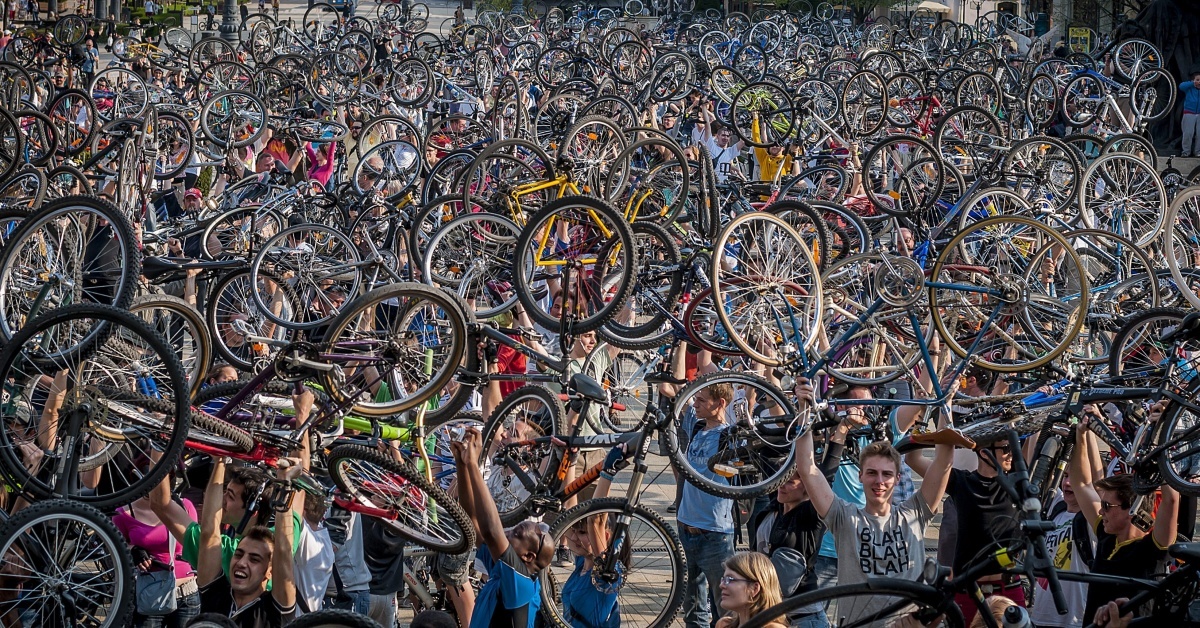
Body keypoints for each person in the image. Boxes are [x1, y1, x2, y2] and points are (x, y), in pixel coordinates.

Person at [793, 377, 955, 625]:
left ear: (897, 478)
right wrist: (804, 409)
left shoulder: (914, 512)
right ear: (861, 475)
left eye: (886, 474)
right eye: (871, 473)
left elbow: (943, 460)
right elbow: (807, 468)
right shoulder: (845, 517)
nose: (879, 481)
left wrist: (945, 403)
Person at [1075, 405, 1179, 622]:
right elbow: (1082, 484)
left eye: (1107, 506)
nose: (1100, 510)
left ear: (1131, 510)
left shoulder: (1153, 549)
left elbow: (1171, 499)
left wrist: (1163, 435)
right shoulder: (1107, 536)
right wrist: (1081, 435)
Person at [658, 345, 737, 628]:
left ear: (720, 403)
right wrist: (682, 343)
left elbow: (739, 474)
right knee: (692, 608)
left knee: (724, 609)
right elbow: (678, 387)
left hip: (715, 534)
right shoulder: (696, 425)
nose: (695, 404)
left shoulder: (730, 435)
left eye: (702, 400)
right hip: (686, 528)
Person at [449, 427, 554, 628]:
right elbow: (471, 521)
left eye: (516, 534)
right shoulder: (501, 571)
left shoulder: (521, 583)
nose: (507, 532)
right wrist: (462, 464)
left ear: (528, 556)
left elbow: (490, 531)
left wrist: (473, 464)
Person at [196, 456, 301, 627]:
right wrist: (220, 460)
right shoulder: (216, 594)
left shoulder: (274, 610)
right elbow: (209, 532)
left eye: (254, 559)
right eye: (239, 554)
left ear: (270, 572)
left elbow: (283, 551)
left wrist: (285, 483)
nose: (242, 563)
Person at [113, 483, 202, 627]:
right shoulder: (122, 513)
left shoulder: (185, 506)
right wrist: (132, 550)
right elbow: (114, 550)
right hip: (150, 596)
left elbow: (195, 544)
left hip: (187, 595)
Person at [715, 552, 786, 628]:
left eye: (730, 579)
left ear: (754, 589)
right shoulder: (723, 625)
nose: (721, 585)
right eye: (724, 579)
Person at [1180, 71, 1200, 157]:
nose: (1199, 82)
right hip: (1189, 113)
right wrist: (1192, 83)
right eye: (1197, 80)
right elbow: (1181, 86)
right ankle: (1186, 152)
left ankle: (1198, 152)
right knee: (1188, 133)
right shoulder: (1189, 88)